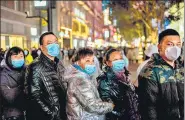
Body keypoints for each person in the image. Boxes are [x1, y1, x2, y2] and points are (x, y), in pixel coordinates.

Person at [138, 29, 184, 120]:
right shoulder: (150, 71)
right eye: (170, 44)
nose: (175, 48)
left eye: (178, 44)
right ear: (159, 46)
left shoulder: (181, 68)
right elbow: (148, 108)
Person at [25, 32, 66, 120]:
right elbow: (34, 96)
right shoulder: (35, 66)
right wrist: (52, 114)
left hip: (63, 114)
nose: (54, 45)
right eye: (49, 43)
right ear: (41, 47)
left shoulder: (59, 64)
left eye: (55, 42)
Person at [64, 47, 114, 120]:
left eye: (92, 60)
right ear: (78, 62)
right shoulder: (80, 80)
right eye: (87, 61)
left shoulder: (80, 76)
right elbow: (92, 106)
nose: (91, 64)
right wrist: (110, 106)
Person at [97, 48, 140, 120]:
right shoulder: (105, 81)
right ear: (108, 63)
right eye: (116, 60)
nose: (119, 61)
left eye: (120, 58)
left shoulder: (124, 75)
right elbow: (109, 108)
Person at [0, 47, 26, 120]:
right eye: (15, 56)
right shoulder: (3, 75)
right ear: (9, 58)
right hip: (12, 115)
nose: (19, 59)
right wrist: (25, 86)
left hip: (28, 112)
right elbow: (9, 97)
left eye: (21, 56)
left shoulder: (27, 71)